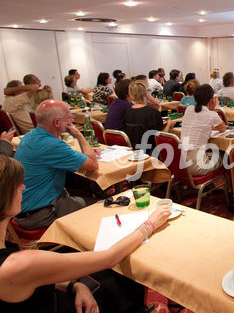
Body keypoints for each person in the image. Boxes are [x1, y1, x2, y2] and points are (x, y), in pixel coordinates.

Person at [0, 155, 171, 312]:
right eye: (16, 185)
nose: (23, 187)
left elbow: (31, 278)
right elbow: (109, 258)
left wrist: (74, 286)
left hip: (58, 296)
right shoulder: (19, 263)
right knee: (120, 278)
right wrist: (150, 223)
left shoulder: (15, 260)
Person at [14, 100, 99, 230]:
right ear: (57, 122)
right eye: (69, 118)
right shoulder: (51, 145)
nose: (72, 121)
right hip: (42, 213)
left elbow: (55, 155)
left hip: (23, 208)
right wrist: (78, 135)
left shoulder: (30, 136)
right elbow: (93, 164)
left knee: (82, 190)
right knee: (101, 206)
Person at [181, 84, 226, 176]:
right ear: (211, 100)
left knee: (210, 151)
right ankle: (228, 188)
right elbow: (223, 128)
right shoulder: (211, 115)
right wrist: (213, 110)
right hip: (197, 165)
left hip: (181, 163)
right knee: (225, 156)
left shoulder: (189, 109)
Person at [125, 80, 164, 154]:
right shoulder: (152, 112)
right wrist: (169, 124)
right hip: (152, 151)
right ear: (146, 93)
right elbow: (160, 137)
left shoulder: (128, 111)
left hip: (134, 150)